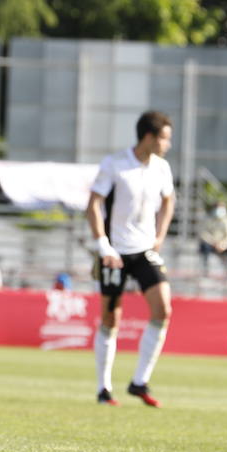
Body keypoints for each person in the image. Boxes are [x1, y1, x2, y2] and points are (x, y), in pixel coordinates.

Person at [86, 110, 176, 408]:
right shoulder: (115, 164)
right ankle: (103, 389)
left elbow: (168, 200)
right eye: (165, 138)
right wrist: (103, 246)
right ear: (149, 137)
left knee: (163, 309)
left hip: (144, 250)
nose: (168, 144)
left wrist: (160, 236)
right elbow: (94, 204)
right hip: (115, 253)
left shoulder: (162, 168)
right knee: (111, 318)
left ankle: (139, 382)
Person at [197, 203, 227, 276]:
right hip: (210, 244)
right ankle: (205, 271)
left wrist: (225, 243)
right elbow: (203, 233)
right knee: (204, 247)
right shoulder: (206, 218)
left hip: (223, 245)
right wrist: (214, 242)